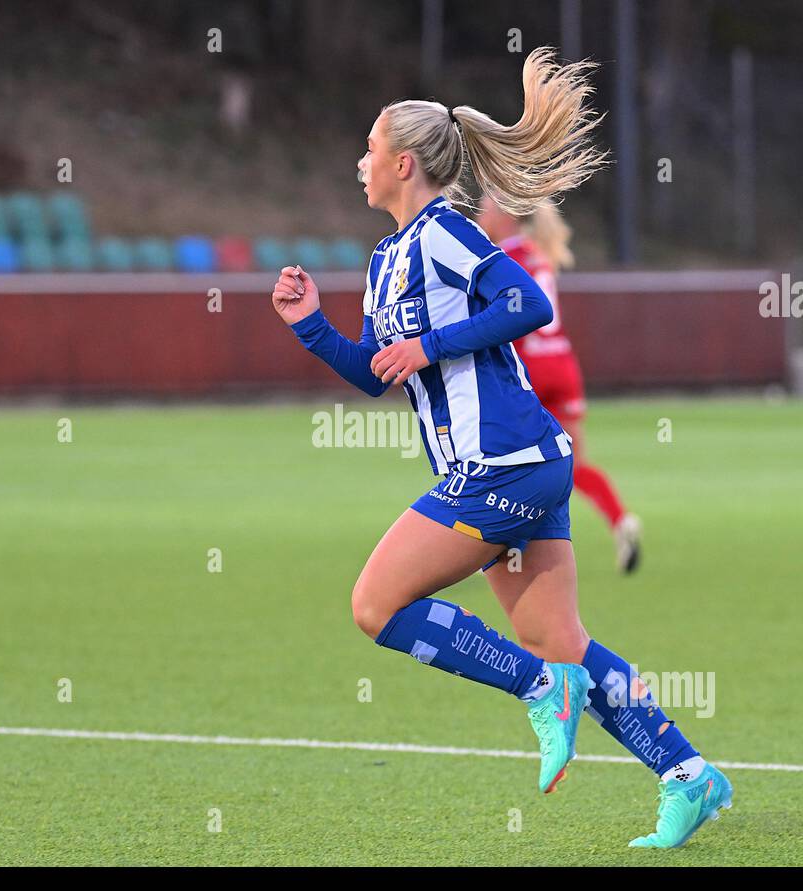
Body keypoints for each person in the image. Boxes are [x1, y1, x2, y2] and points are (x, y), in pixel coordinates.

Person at [271, 48, 732, 848]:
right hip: (521, 467)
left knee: (377, 606)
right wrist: (310, 325)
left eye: (369, 149)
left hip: (504, 463)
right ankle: (689, 776)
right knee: (564, 643)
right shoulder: (386, 260)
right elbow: (378, 373)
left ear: (403, 163)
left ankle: (538, 691)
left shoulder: (445, 232)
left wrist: (432, 345)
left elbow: (523, 302)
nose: (359, 161)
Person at [477, 198, 642, 573]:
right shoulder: (539, 253)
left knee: (505, 462)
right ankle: (620, 520)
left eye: (485, 208)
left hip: (529, 370)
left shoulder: (498, 260)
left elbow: (504, 321)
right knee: (572, 463)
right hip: (564, 366)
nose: (479, 215)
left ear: (504, 214)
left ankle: (498, 546)